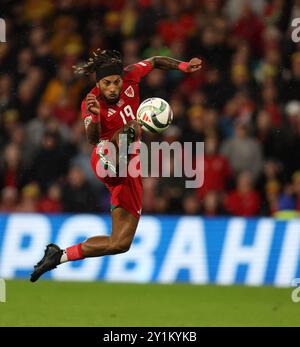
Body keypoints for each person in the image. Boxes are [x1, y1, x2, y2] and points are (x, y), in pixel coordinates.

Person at [30, 48, 201, 282]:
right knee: (131, 130)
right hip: (105, 157)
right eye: (107, 83)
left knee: (120, 243)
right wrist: (97, 118)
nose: (112, 88)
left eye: (116, 82)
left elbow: (155, 60)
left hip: (130, 167)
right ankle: (118, 155)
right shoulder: (91, 101)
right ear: (98, 83)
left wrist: (182, 66)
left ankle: (58, 256)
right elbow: (92, 140)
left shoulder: (131, 76)